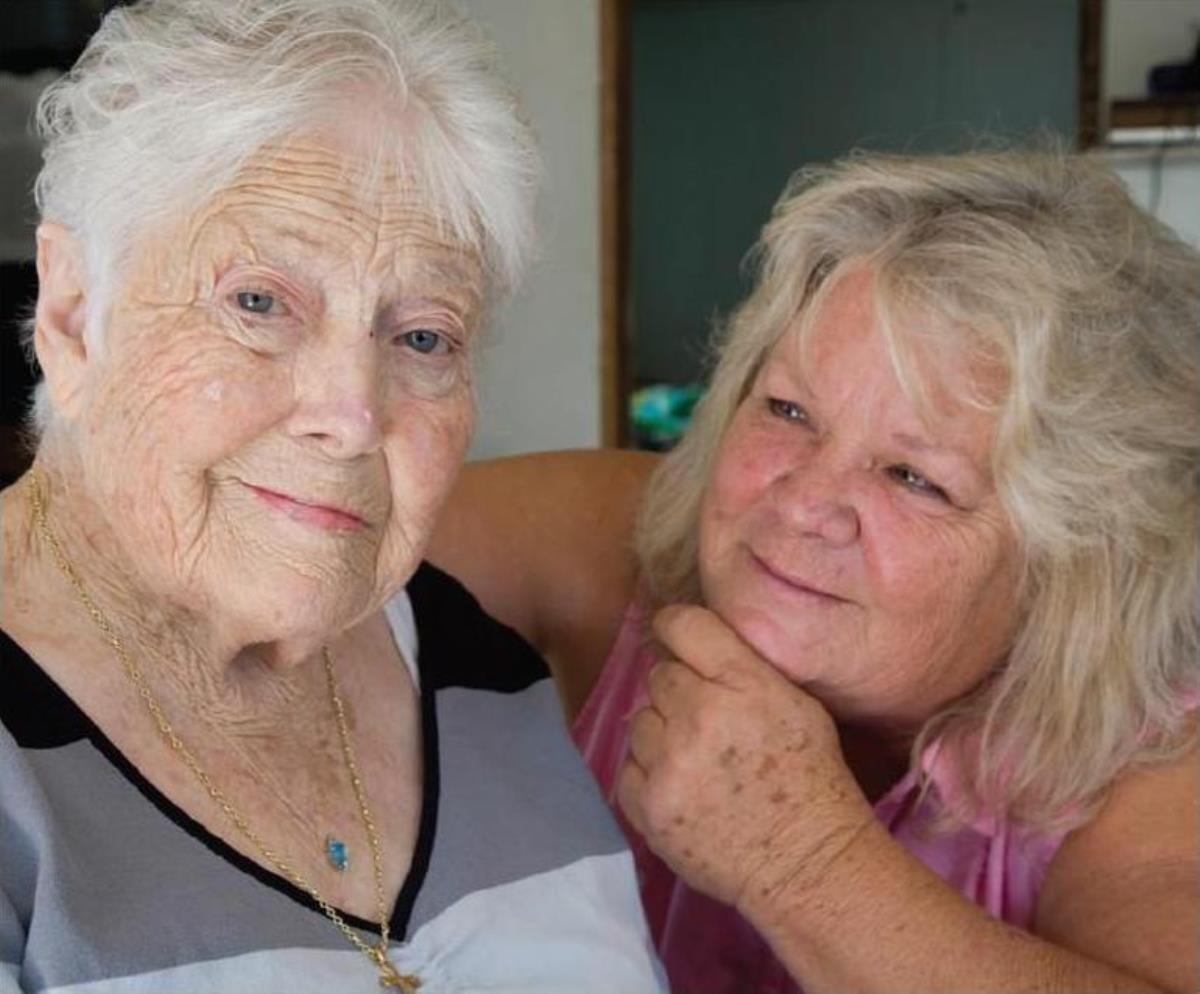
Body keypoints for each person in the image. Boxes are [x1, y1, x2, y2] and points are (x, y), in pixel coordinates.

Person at [0, 2, 667, 991]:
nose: (353, 414)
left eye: (425, 336)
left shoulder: (477, 668)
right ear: (72, 316)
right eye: (259, 301)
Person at [431, 148, 1200, 993]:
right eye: (789, 410)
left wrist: (805, 861)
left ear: (1076, 561)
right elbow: (311, 556)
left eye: (917, 478)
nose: (803, 503)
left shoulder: (1154, 756)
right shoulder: (628, 538)